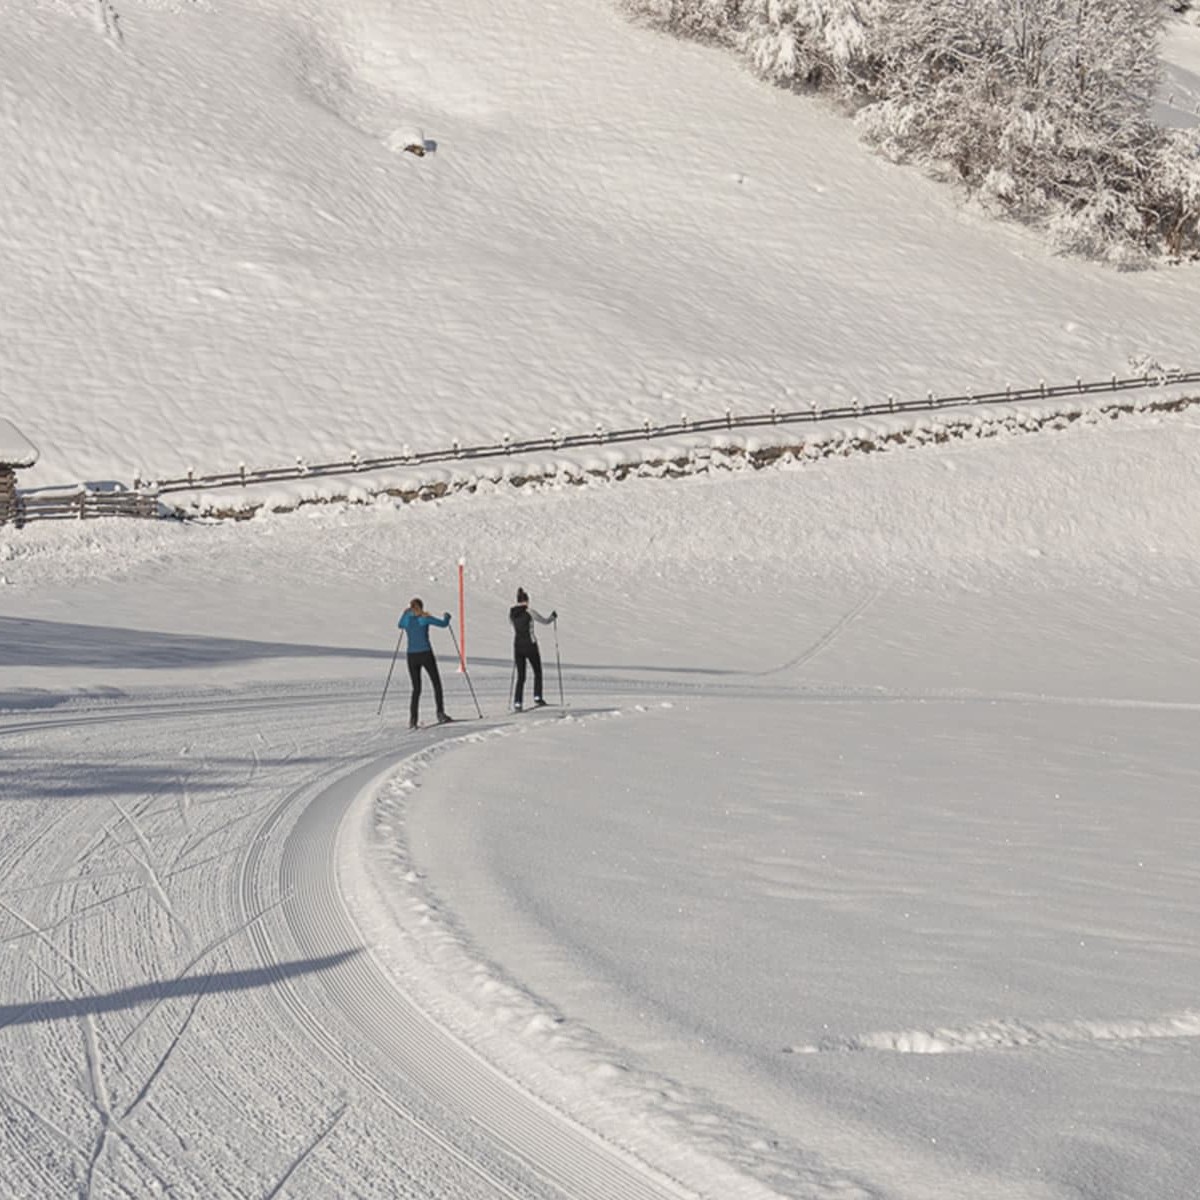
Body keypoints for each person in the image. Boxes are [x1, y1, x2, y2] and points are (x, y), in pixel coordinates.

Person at [399, 598, 453, 729]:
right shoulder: (424, 618)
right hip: (426, 654)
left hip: (411, 656)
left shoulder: (407, 619)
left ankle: (413, 719)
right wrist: (447, 617)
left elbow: (400, 625)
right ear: (421, 607)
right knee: (436, 683)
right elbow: (443, 624)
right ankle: (440, 713)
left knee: (416, 689)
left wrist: (404, 613)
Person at [509, 587, 556, 711]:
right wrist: (552, 617)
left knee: (521, 676)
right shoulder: (529, 611)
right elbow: (544, 621)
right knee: (537, 672)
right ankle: (537, 697)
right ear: (526, 601)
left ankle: (517, 703)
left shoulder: (512, 613)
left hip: (517, 646)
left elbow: (513, 626)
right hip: (530, 645)